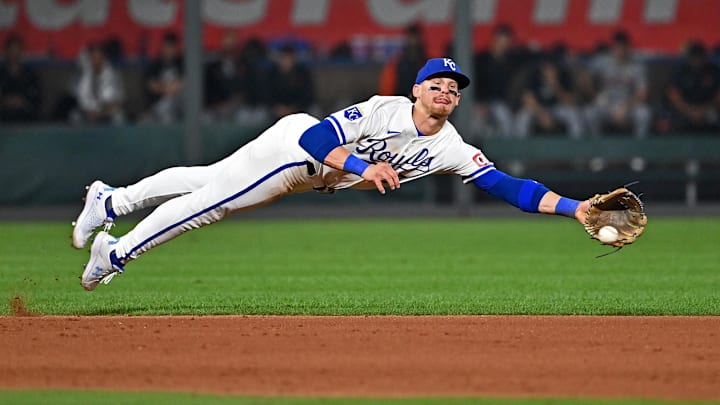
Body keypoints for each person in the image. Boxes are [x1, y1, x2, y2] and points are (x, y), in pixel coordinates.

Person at [72, 58, 592, 291]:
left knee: (207, 179)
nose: (446, 92)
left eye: (454, 88)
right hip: (296, 152)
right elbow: (316, 141)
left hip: (313, 170)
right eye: (436, 83)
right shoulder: (384, 109)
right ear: (416, 90)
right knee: (212, 204)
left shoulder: (453, 146)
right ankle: (115, 252)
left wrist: (577, 208)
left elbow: (509, 187)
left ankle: (111, 202)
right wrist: (366, 166)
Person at [583, 31, 651, 137]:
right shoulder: (602, 61)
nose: (620, 51)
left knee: (644, 114)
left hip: (628, 106)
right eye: (617, 47)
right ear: (613, 48)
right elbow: (585, 79)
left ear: (628, 48)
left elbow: (642, 93)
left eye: (623, 48)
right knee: (589, 113)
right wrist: (596, 96)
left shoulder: (637, 66)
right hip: (606, 105)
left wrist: (626, 107)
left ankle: (639, 150)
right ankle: (598, 148)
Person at [514, 54, 583, 138]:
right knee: (523, 116)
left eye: (552, 69)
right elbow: (528, 99)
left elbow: (571, 102)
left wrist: (556, 86)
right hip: (538, 108)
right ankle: (521, 148)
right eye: (546, 69)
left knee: (573, 114)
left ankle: (576, 146)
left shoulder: (564, 76)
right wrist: (542, 113)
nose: (549, 71)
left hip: (557, 108)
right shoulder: (534, 76)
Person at [472, 24, 520, 137]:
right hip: (481, 102)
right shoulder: (481, 59)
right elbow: (475, 84)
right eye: (500, 42)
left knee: (504, 115)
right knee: (476, 122)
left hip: (503, 104)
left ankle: (509, 153)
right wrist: (481, 102)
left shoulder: (511, 61)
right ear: (494, 40)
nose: (502, 46)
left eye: (506, 43)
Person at [664, 41, 720, 133]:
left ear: (704, 57)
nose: (696, 60)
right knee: (675, 120)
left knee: (713, 118)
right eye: (694, 57)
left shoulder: (714, 71)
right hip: (685, 109)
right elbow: (673, 95)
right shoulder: (680, 72)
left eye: (699, 56)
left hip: (709, 109)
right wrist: (689, 111)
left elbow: (718, 96)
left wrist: (703, 110)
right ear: (689, 57)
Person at [71, 42, 125, 125]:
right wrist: (88, 110)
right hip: (87, 111)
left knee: (119, 117)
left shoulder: (114, 75)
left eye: (98, 58)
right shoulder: (83, 74)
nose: (95, 61)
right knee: (74, 116)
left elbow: (118, 102)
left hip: (106, 112)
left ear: (104, 58)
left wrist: (100, 113)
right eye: (92, 58)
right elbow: (77, 97)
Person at [265, 43, 315, 120]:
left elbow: (308, 95)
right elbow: (267, 94)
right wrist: (277, 108)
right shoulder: (272, 74)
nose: (287, 61)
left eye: (289, 58)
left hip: (300, 109)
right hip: (277, 110)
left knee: (314, 112)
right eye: (284, 57)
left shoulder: (302, 73)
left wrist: (295, 108)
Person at [145, 32, 184, 123]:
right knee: (165, 113)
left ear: (176, 48)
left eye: (172, 47)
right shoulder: (155, 64)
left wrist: (175, 86)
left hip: (180, 102)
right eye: (166, 46)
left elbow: (186, 81)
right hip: (159, 103)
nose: (169, 50)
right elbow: (152, 86)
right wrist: (168, 89)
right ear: (162, 47)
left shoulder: (181, 62)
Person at [0, 35, 40, 123]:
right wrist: (5, 102)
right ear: (6, 51)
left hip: (24, 113)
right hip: (4, 113)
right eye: (11, 50)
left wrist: (22, 102)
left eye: (17, 50)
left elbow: (36, 98)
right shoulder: (1, 74)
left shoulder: (30, 75)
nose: (14, 53)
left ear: (21, 52)